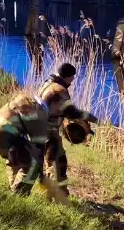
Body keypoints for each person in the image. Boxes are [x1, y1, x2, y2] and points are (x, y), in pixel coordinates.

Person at [35, 62, 99, 199]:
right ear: (68, 76)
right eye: (73, 77)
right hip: (48, 130)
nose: (73, 80)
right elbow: (72, 113)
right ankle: (53, 195)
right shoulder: (59, 90)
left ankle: (59, 193)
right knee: (56, 163)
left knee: (55, 160)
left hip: (39, 127)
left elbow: (59, 110)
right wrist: (92, 119)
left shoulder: (48, 83)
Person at [0, 93, 57, 196]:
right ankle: (20, 193)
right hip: (5, 130)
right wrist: (40, 174)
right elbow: (38, 148)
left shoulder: (29, 99)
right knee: (34, 162)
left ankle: (13, 187)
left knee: (16, 156)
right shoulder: (42, 113)